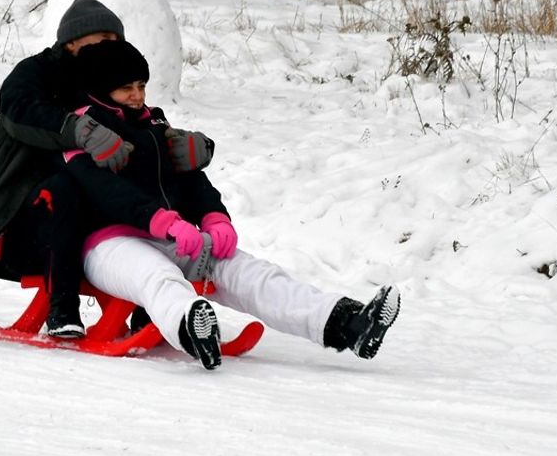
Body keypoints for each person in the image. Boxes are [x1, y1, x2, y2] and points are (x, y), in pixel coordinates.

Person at [63, 39, 400, 370]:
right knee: (158, 276)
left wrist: (214, 217)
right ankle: (191, 328)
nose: (137, 95)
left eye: (141, 85)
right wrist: (162, 221)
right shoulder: (84, 130)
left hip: (171, 234)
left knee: (248, 272)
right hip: (107, 242)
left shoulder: (155, 124)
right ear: (100, 89)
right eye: (125, 89)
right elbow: (104, 190)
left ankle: (348, 324)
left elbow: (190, 177)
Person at [0, 0, 212, 338]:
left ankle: (151, 310)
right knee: (67, 186)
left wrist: (182, 147)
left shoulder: (106, 81)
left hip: (93, 221)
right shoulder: (34, 74)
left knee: (141, 182)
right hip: (21, 220)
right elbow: (20, 113)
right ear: (71, 42)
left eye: (116, 41)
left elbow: (143, 126)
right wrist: (78, 130)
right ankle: (62, 310)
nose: (110, 47)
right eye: (102, 39)